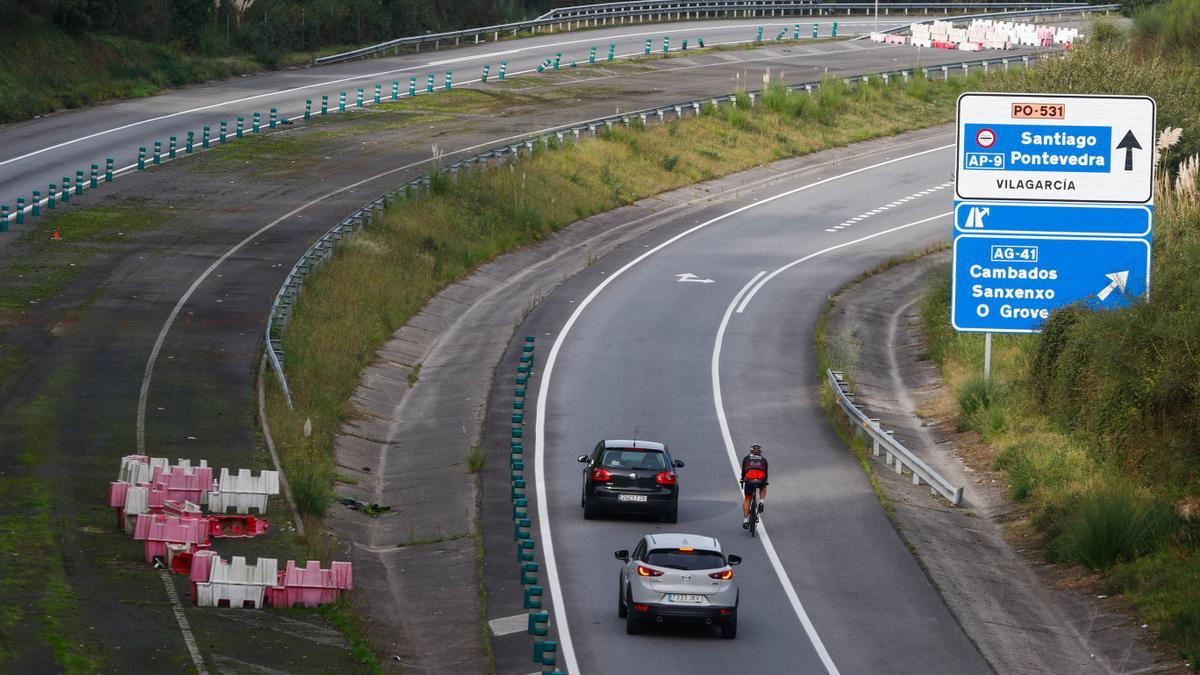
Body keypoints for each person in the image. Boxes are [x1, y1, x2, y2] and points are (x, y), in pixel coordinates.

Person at [740, 444, 768, 528]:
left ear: (751, 451)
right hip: (760, 480)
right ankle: (761, 501)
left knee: (747, 499)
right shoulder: (763, 459)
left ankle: (745, 521)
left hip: (749, 480)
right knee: (764, 486)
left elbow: (744, 472)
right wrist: (765, 481)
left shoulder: (746, 458)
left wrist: (742, 479)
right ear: (760, 452)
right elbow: (765, 473)